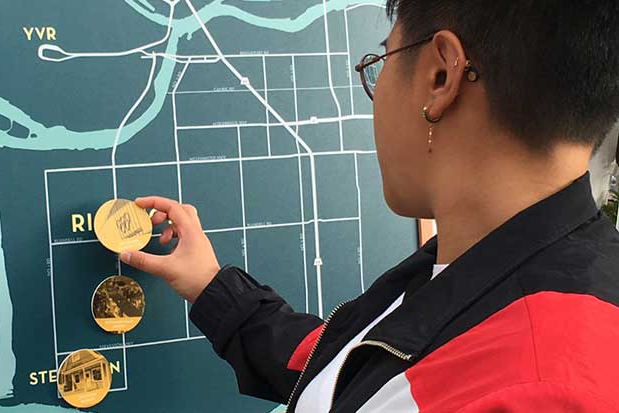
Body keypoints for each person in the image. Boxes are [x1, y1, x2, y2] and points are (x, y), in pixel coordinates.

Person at [119, 1, 619, 411]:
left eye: (381, 62)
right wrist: (211, 286)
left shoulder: (543, 390)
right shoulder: (477, 266)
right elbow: (345, 374)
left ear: (440, 76)